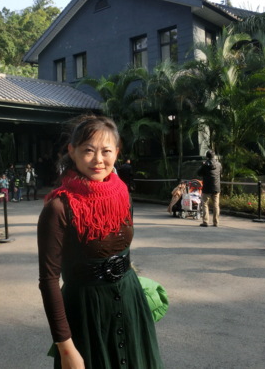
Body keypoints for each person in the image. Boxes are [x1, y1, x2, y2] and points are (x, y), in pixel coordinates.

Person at [37, 114, 163, 368]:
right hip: (86, 313)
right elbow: (49, 281)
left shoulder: (122, 194)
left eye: (106, 151)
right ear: (72, 151)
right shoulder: (58, 207)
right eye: (88, 150)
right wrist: (66, 348)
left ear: (116, 153)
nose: (98, 160)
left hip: (130, 301)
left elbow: (122, 250)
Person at [197, 150, 222, 227]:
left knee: (205, 204)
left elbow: (199, 173)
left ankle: (205, 222)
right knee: (216, 205)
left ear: (207, 156)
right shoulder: (219, 164)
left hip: (207, 188)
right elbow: (220, 173)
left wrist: (202, 166)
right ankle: (216, 222)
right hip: (216, 187)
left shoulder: (205, 165)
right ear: (214, 156)